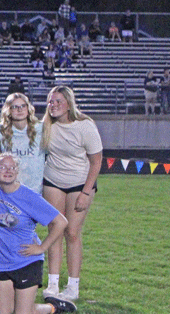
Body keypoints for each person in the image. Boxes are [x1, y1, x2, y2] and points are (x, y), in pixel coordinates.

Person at [0, 153, 76, 314]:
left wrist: (42, 247)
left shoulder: (29, 196)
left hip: (26, 260)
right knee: (3, 313)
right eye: (2, 167)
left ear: (17, 171)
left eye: (12, 167)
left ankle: (54, 306)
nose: (8, 171)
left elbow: (61, 222)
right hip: (2, 262)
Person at [41, 86, 102, 302]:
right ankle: (52, 284)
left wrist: (86, 192)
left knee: (72, 232)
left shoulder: (85, 126)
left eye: (59, 101)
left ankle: (73, 286)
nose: (54, 105)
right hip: (53, 181)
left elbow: (96, 161)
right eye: (51, 101)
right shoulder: (45, 125)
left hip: (79, 183)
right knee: (55, 230)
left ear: (69, 104)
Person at [0, 93, 45, 192]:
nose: (19, 110)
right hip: (10, 189)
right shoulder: (1, 131)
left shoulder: (41, 128)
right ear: (8, 110)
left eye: (23, 106)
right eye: (15, 107)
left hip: (36, 190)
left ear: (28, 108)